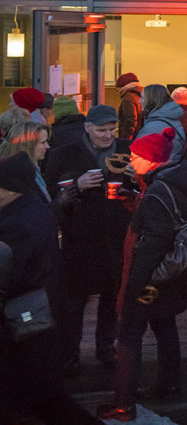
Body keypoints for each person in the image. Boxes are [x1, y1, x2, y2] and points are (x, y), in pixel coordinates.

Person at [97, 128, 187, 422]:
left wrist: (132, 287)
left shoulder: (156, 193)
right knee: (165, 326)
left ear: (152, 161)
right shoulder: (171, 182)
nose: (131, 160)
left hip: (149, 280)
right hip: (168, 277)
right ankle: (170, 383)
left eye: (137, 156)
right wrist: (135, 199)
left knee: (128, 336)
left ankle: (123, 404)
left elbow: (152, 244)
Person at [0, 152, 105, 425]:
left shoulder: (15, 225)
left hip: (24, 317)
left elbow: (8, 274)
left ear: (8, 190)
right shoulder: (34, 208)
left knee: (44, 395)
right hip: (42, 309)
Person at [43, 104, 134, 375]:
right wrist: (77, 186)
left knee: (112, 297)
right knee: (74, 302)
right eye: (101, 130)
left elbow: (143, 187)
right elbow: (50, 195)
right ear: (87, 128)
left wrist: (137, 180)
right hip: (79, 239)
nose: (108, 136)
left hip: (116, 236)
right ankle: (69, 354)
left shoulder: (127, 149)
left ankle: (106, 347)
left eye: (112, 130)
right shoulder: (64, 155)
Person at [0, 120, 52, 200]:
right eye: (43, 142)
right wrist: (60, 202)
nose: (48, 146)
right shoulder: (18, 178)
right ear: (28, 145)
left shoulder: (34, 168)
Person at [136, 84, 186, 163]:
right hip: (170, 171)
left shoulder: (152, 128)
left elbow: (142, 162)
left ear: (151, 100)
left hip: (158, 173)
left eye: (142, 98)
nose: (139, 101)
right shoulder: (171, 120)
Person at [115, 73, 143, 140]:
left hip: (132, 138)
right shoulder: (142, 96)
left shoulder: (128, 98)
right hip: (141, 136)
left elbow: (130, 121)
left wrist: (124, 140)